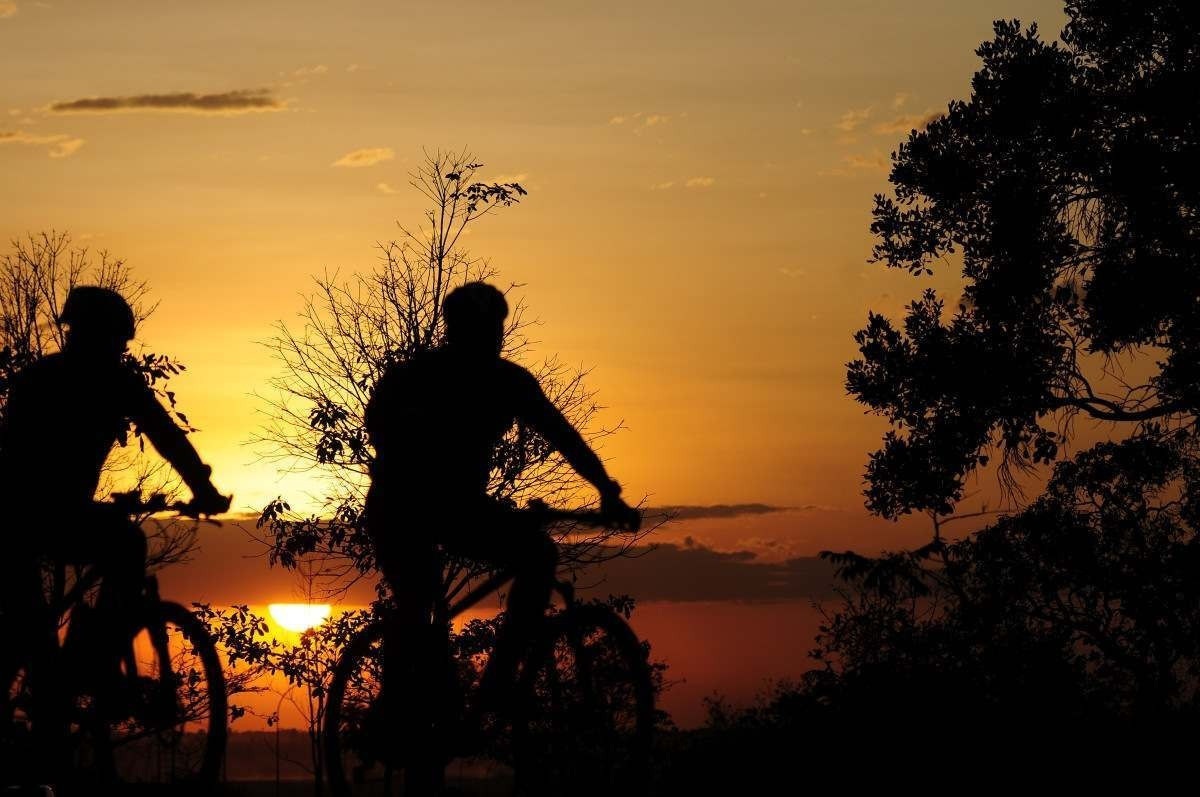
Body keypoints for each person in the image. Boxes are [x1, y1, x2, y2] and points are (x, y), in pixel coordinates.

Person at [365, 281, 640, 728]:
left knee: (534, 555)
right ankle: (396, 706)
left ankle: (495, 684)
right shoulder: (418, 377)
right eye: (481, 330)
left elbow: (563, 435)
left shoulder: (503, 381)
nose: (489, 339)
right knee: (421, 608)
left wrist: (606, 489)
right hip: (404, 509)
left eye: (493, 330)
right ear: (456, 330)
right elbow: (379, 429)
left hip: (453, 509)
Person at [0, 286, 230, 690]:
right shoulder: (98, 381)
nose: (118, 350)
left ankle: (77, 668)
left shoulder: (44, 377)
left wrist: (201, 482)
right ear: (93, 334)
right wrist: (202, 489)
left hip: (36, 513)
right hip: (27, 517)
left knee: (40, 637)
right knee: (124, 544)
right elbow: (166, 436)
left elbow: (165, 435)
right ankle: (90, 664)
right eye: (115, 341)